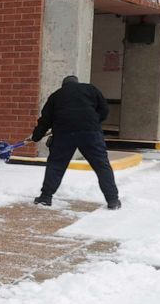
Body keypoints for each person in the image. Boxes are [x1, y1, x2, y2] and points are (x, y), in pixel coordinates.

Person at [30, 75, 120, 210]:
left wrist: (36, 136)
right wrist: (94, 121)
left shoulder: (56, 95)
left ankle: (45, 197)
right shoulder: (91, 89)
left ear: (63, 85)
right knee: (102, 166)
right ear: (77, 83)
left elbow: (45, 119)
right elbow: (104, 110)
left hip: (64, 134)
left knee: (56, 165)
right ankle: (113, 200)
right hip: (90, 133)